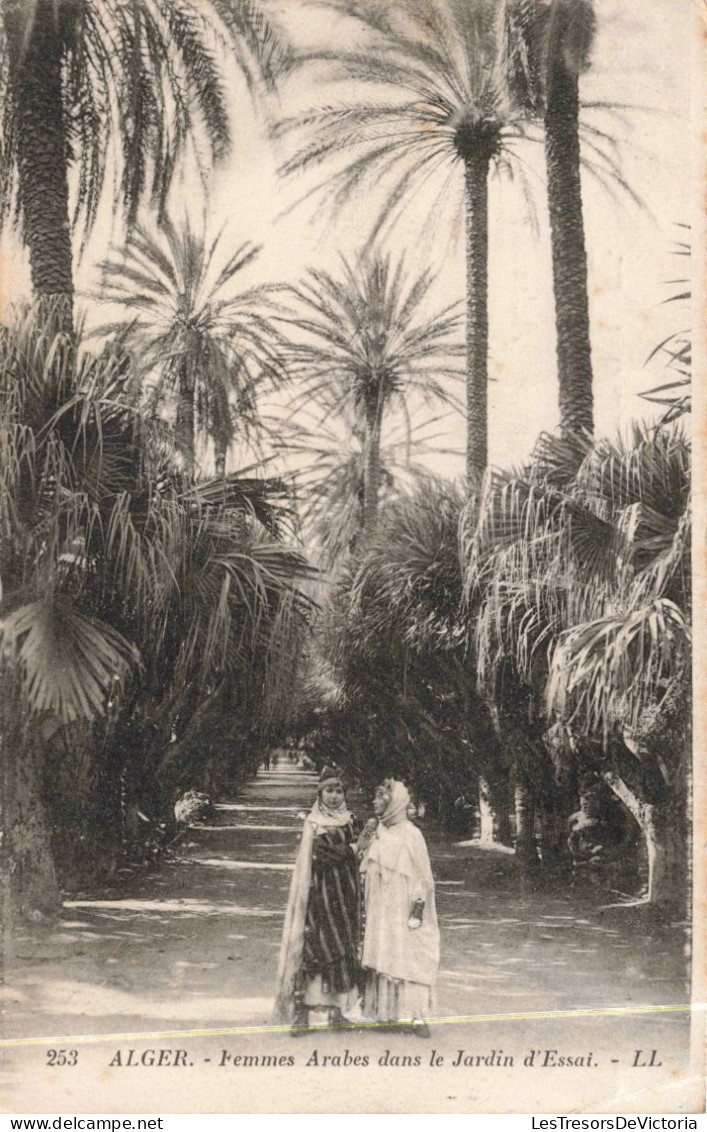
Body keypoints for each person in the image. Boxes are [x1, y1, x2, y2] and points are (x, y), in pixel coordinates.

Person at [273, 767, 374, 1032]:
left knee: (342, 947)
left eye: (338, 791)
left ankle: (337, 1012)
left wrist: (363, 850)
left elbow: (363, 852)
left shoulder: (350, 820)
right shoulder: (314, 823)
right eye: (328, 791)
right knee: (316, 948)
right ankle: (301, 1014)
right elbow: (321, 855)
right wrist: (354, 849)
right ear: (320, 794)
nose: (333, 796)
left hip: (346, 892)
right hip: (320, 894)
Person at [360, 779, 440, 1037]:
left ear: (395, 801)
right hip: (381, 906)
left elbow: (423, 877)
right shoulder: (379, 831)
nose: (375, 801)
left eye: (381, 796)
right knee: (384, 951)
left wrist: (417, 907)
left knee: (412, 954)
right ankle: (386, 1014)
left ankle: (417, 1016)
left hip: (404, 906)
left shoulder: (412, 834)